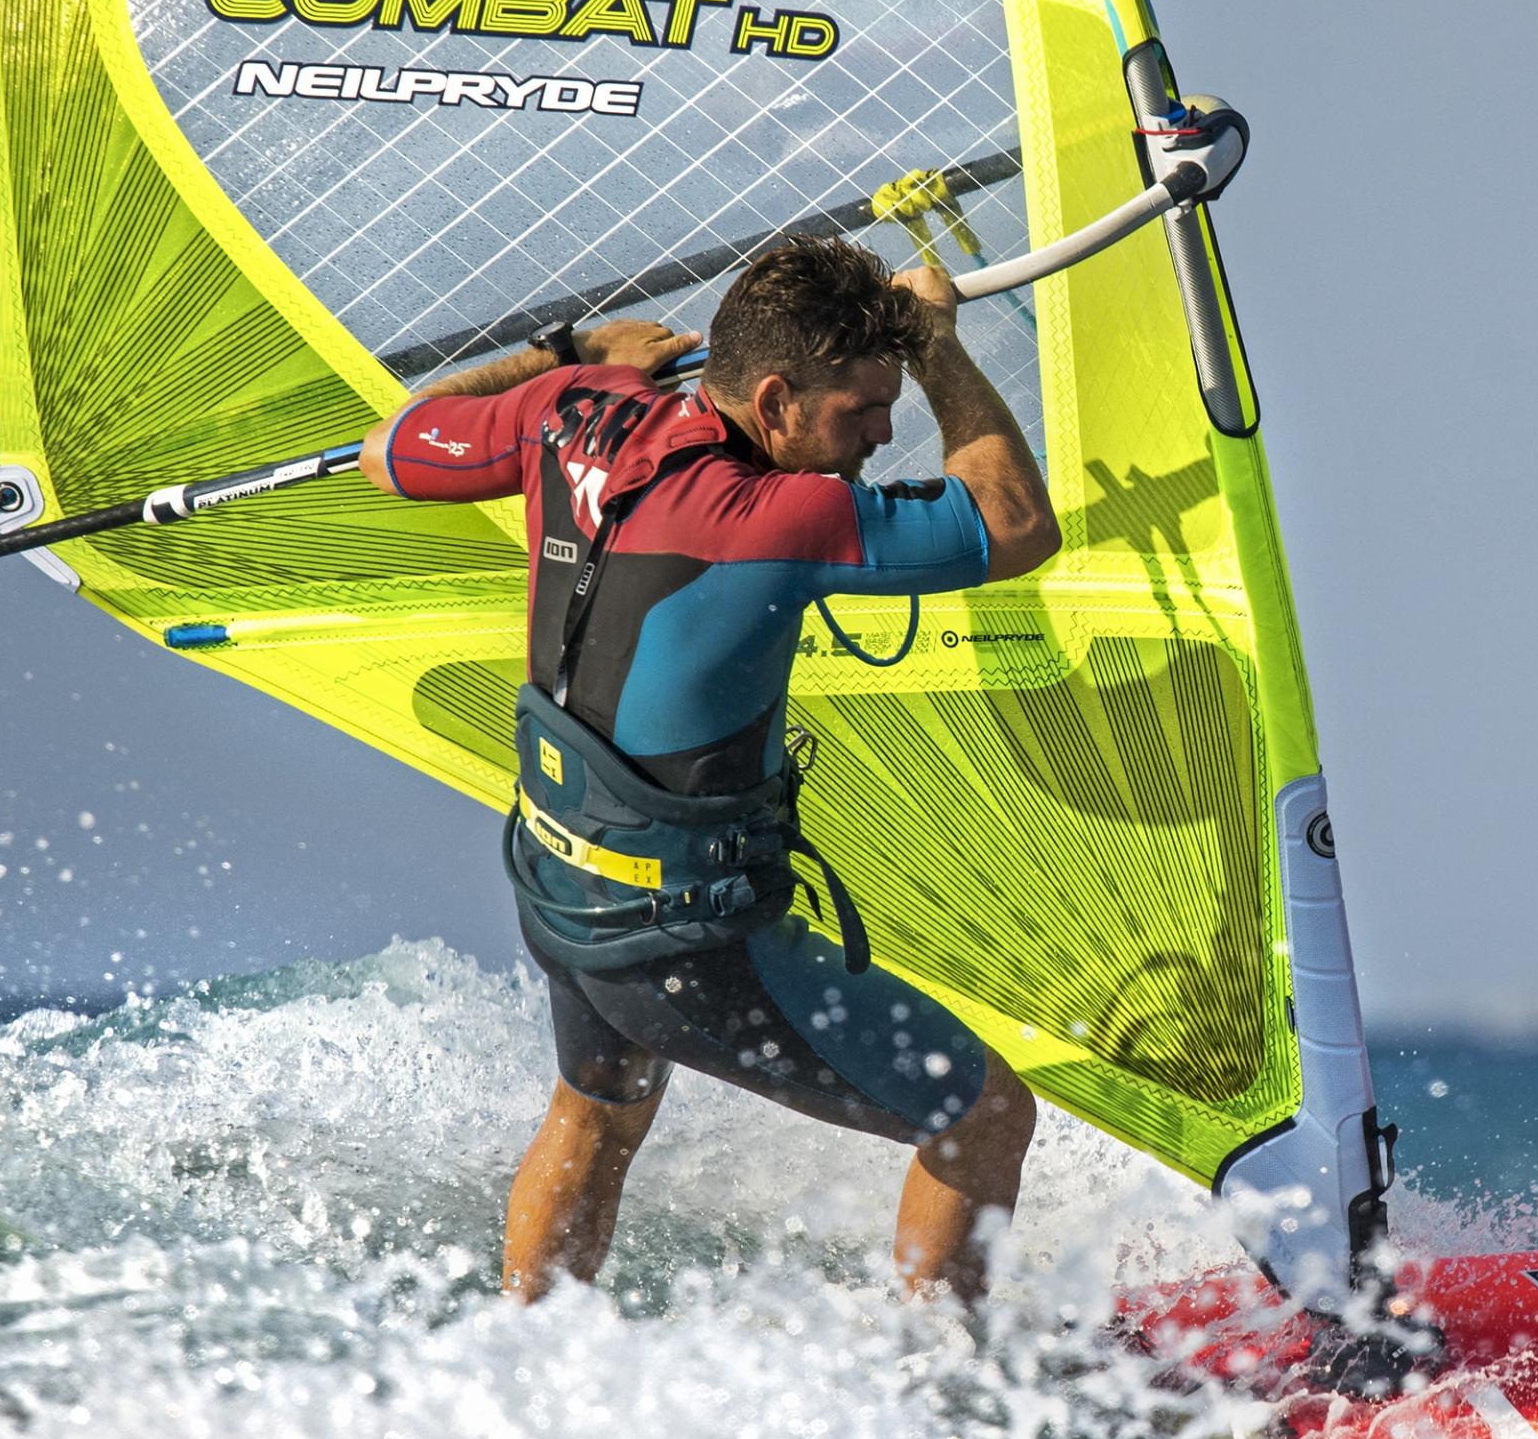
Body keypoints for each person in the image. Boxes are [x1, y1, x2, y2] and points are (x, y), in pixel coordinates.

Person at [360, 237, 1062, 1305]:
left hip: (560, 894)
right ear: (775, 399)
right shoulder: (780, 517)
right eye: (865, 410)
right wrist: (934, 346)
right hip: (684, 943)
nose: (882, 437)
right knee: (983, 1113)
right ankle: (947, 1383)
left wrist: (565, 352)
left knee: (597, 1110)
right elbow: (1014, 522)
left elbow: (392, 446)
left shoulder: (573, 411)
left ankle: (527, 1352)